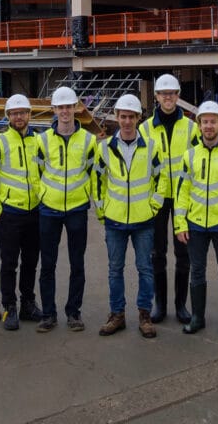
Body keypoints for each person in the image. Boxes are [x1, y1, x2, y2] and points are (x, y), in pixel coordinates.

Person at [96, 93, 166, 337]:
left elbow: (162, 179)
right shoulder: (104, 149)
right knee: (115, 269)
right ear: (117, 117)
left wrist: (154, 206)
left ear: (138, 118)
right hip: (114, 220)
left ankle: (145, 315)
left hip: (143, 220)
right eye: (123, 116)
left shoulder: (151, 148)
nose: (126, 121)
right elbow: (98, 181)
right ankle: (117, 315)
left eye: (131, 117)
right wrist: (102, 210)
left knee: (145, 268)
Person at [173, 101, 218, 336]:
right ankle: (198, 318)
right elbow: (181, 192)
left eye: (213, 121)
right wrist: (180, 223)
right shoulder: (189, 156)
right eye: (205, 122)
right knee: (198, 271)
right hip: (195, 225)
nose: (209, 126)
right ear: (199, 125)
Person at [34, 85, 99, 332]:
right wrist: (43, 195)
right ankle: (48, 314)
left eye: (68, 107)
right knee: (47, 264)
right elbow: (36, 173)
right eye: (60, 107)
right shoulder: (42, 141)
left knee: (77, 264)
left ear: (76, 109)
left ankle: (74, 312)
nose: (65, 111)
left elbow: (94, 174)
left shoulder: (89, 141)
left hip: (76, 209)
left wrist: (88, 200)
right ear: (54, 109)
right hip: (49, 209)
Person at [139, 73, 198, 324]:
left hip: (183, 198)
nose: (168, 98)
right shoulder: (145, 128)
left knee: (183, 253)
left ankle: (180, 305)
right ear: (156, 97)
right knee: (157, 253)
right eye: (163, 94)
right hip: (158, 198)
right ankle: (160, 305)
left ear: (178, 96)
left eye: (172, 93)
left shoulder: (191, 128)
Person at [0, 93, 43, 329]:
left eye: (23, 112)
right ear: (8, 116)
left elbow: (45, 172)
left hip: (34, 211)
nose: (19, 117)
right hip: (9, 213)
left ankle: (27, 303)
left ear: (29, 115)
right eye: (15, 113)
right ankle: (9, 307)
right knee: (9, 263)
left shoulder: (39, 141)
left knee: (31, 261)